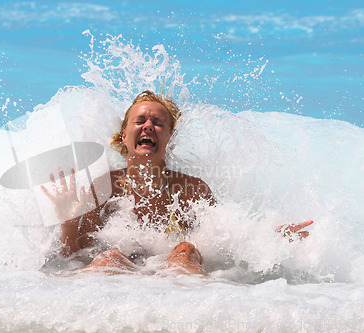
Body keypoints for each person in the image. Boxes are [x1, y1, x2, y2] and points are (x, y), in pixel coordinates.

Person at [42, 90, 312, 275]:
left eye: (158, 123)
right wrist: (68, 223)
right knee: (110, 256)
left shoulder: (192, 189)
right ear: (123, 136)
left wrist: (270, 239)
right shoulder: (104, 188)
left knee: (185, 250)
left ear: (169, 137)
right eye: (140, 120)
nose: (148, 126)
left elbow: (226, 241)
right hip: (117, 282)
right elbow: (75, 257)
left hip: (175, 282)